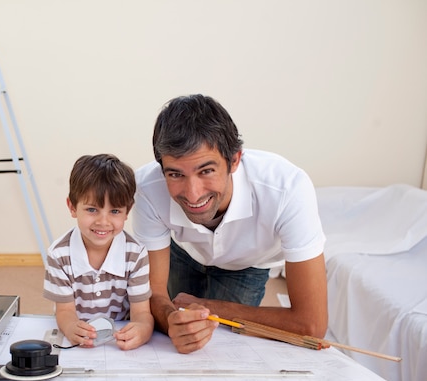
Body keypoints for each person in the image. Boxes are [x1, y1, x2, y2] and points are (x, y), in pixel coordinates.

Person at [132, 94, 328, 354]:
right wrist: (170, 321)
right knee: (178, 342)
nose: (192, 194)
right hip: (183, 251)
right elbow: (154, 293)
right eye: (176, 174)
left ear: (235, 160)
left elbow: (311, 324)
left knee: (224, 346)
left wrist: (211, 307)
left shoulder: (288, 188)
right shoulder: (147, 187)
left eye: (206, 171)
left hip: (248, 264)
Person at [43, 154, 154, 351]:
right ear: (72, 207)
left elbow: (142, 313)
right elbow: (65, 311)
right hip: (83, 341)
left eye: (115, 211)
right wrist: (70, 328)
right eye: (92, 209)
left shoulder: (136, 254)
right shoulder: (58, 255)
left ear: (127, 211)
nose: (103, 222)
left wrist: (143, 329)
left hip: (118, 341)